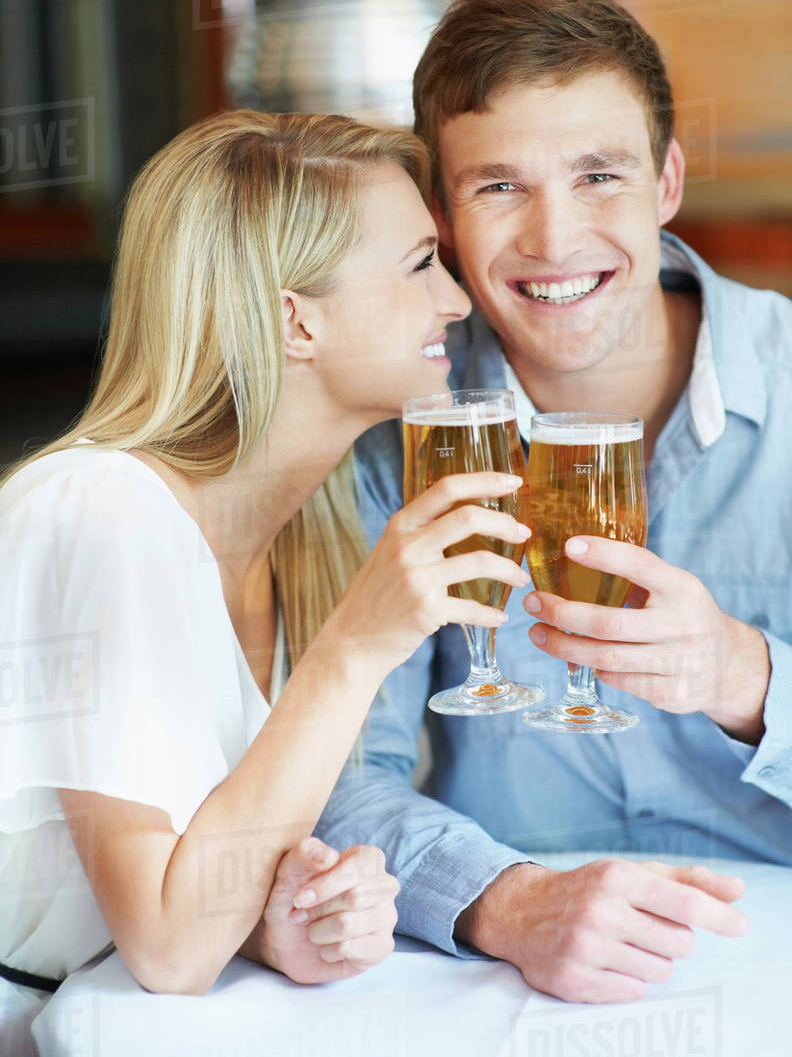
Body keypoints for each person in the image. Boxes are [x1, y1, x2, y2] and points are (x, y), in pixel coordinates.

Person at [0, 110, 536, 1049]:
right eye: (420, 265)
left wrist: (277, 917)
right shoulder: (100, 514)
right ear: (296, 319)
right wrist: (358, 647)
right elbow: (169, 950)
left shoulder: (303, 541)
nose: (457, 301)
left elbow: (185, 887)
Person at [317, 0, 792, 1004]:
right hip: (507, 988)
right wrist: (508, 900)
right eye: (498, 186)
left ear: (667, 180)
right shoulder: (392, 438)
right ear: (442, 212)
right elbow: (336, 771)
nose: (552, 238)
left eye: (598, 175)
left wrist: (751, 682)